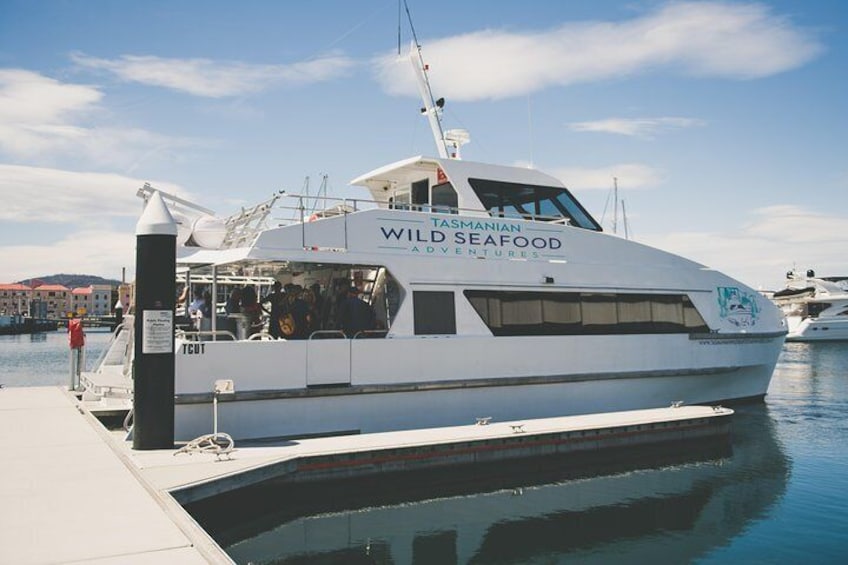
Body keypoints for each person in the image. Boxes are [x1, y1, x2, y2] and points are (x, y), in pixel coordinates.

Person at [68, 313, 85, 390]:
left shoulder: (72, 323)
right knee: (78, 361)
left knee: (79, 362)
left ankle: (77, 384)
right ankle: (75, 384)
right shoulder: (76, 324)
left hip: (75, 342)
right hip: (77, 342)